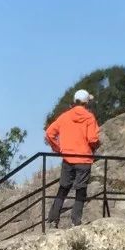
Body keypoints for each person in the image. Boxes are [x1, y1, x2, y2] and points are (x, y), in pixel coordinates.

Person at [44, 89, 101, 228]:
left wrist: (58, 149)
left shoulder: (65, 116)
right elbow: (92, 139)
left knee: (63, 188)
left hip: (68, 157)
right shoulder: (89, 117)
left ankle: (52, 220)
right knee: (81, 190)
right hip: (84, 159)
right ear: (86, 102)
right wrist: (96, 144)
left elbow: (49, 134)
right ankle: (76, 221)